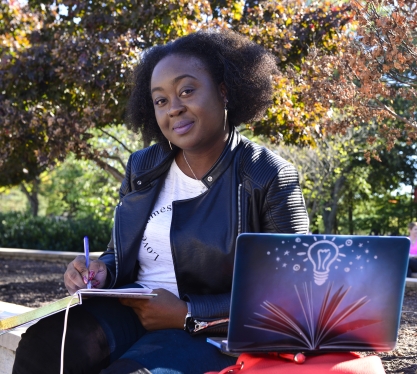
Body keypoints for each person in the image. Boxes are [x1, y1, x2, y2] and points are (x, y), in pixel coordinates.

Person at [13, 29, 310, 374]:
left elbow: (291, 296)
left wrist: (188, 312)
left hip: (210, 329)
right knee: (44, 346)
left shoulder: (267, 175)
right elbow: (120, 252)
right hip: (131, 307)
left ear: (224, 91)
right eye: (161, 100)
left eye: (187, 90)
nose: (174, 108)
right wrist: (101, 270)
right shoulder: (143, 166)